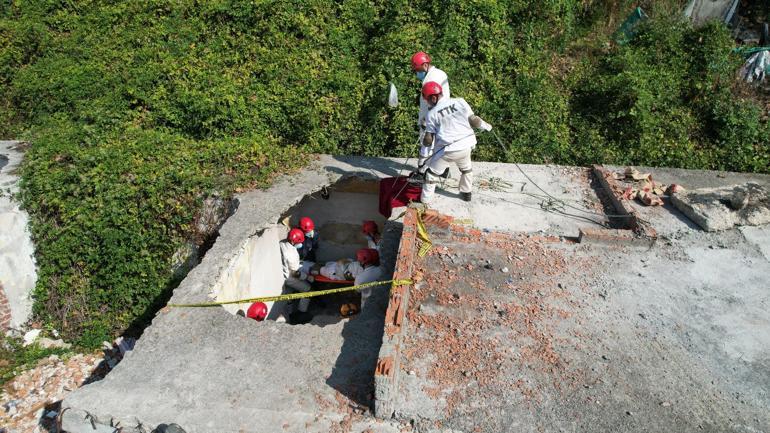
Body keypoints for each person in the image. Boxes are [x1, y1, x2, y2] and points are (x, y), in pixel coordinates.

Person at [419, 81, 492, 203]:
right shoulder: (460, 101)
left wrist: (423, 156)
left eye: (427, 100)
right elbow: (474, 121)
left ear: (433, 97)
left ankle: (425, 201)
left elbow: (428, 140)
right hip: (467, 146)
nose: (427, 103)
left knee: (431, 175)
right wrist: (488, 127)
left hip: (447, 151)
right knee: (466, 169)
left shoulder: (431, 114)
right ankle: (466, 193)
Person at [411, 51, 450, 172]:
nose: (416, 73)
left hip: (432, 116)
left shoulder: (429, 80)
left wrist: (427, 119)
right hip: (444, 114)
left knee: (427, 143)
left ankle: (422, 171)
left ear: (425, 65)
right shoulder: (440, 73)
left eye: (417, 70)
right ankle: (442, 171)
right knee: (440, 144)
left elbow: (433, 100)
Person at [279, 228, 313, 320]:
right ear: (294, 241)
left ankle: (290, 315)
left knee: (289, 294)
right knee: (308, 290)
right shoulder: (291, 254)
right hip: (290, 277)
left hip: (282, 275)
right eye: (300, 242)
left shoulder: (282, 243)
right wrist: (307, 277)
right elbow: (295, 273)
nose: (301, 244)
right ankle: (301, 313)